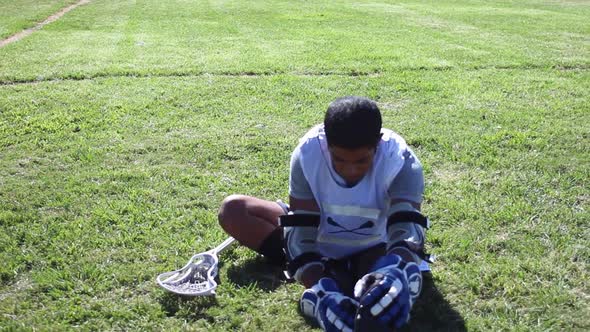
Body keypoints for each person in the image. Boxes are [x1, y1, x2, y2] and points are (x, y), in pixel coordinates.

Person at [218, 96, 430, 331]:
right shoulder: (308, 153)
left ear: (378, 144)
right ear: (326, 142)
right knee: (233, 210)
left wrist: (396, 268)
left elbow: (407, 229)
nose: (350, 170)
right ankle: (329, 275)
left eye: (361, 161)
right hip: (320, 237)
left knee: (378, 294)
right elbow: (302, 226)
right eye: (339, 159)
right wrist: (320, 288)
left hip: (373, 245)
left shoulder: (400, 159)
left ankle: (352, 274)